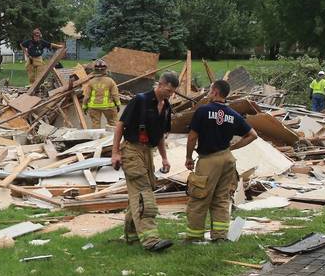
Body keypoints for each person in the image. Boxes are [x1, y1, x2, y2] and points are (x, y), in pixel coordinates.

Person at [110, 71, 179, 252]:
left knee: (137, 193)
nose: (169, 94)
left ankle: (132, 236)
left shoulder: (166, 107)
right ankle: (150, 240)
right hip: (132, 150)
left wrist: (164, 157)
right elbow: (120, 126)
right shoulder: (140, 101)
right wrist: (115, 152)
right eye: (168, 90)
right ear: (160, 84)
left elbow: (161, 136)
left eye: (173, 92)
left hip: (148, 151)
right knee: (143, 193)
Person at [184, 79, 259, 243]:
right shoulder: (234, 115)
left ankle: (194, 237)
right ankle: (219, 237)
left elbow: (192, 137)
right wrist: (232, 149)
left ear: (215, 92)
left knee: (199, 198)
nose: (209, 93)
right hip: (227, 160)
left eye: (210, 90)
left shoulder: (203, 111)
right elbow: (253, 135)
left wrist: (189, 157)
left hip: (208, 160)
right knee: (222, 198)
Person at [82, 59, 121, 128]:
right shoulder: (110, 81)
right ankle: (113, 138)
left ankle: (97, 138)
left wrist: (84, 107)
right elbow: (115, 95)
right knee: (113, 124)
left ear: (94, 69)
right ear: (105, 69)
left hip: (93, 107)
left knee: (95, 124)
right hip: (108, 107)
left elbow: (87, 96)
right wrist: (118, 105)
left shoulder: (91, 82)